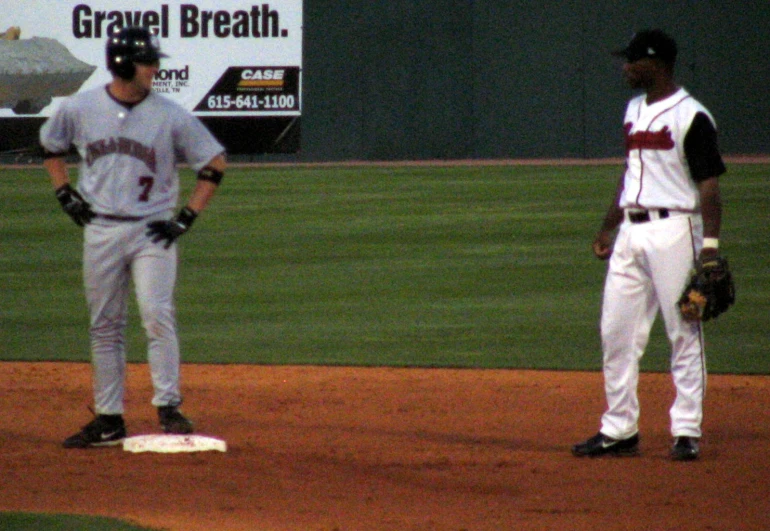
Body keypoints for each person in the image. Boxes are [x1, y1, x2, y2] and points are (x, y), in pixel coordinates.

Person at [40, 26, 227, 448]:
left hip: (151, 233)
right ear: (124, 63)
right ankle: (109, 419)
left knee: (157, 316)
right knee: (104, 326)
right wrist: (64, 192)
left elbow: (213, 163)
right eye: (148, 61)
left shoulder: (170, 114)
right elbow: (51, 146)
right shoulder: (82, 107)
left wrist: (186, 218)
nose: (155, 68)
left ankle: (169, 406)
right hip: (101, 229)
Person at [571, 29, 726, 461]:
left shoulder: (692, 116)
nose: (625, 68)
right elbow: (630, 172)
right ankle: (619, 428)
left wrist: (709, 246)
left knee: (684, 330)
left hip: (677, 230)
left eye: (632, 61)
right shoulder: (634, 109)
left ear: (655, 64)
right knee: (616, 333)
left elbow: (709, 187)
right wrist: (608, 227)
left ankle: (686, 430)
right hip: (631, 233)